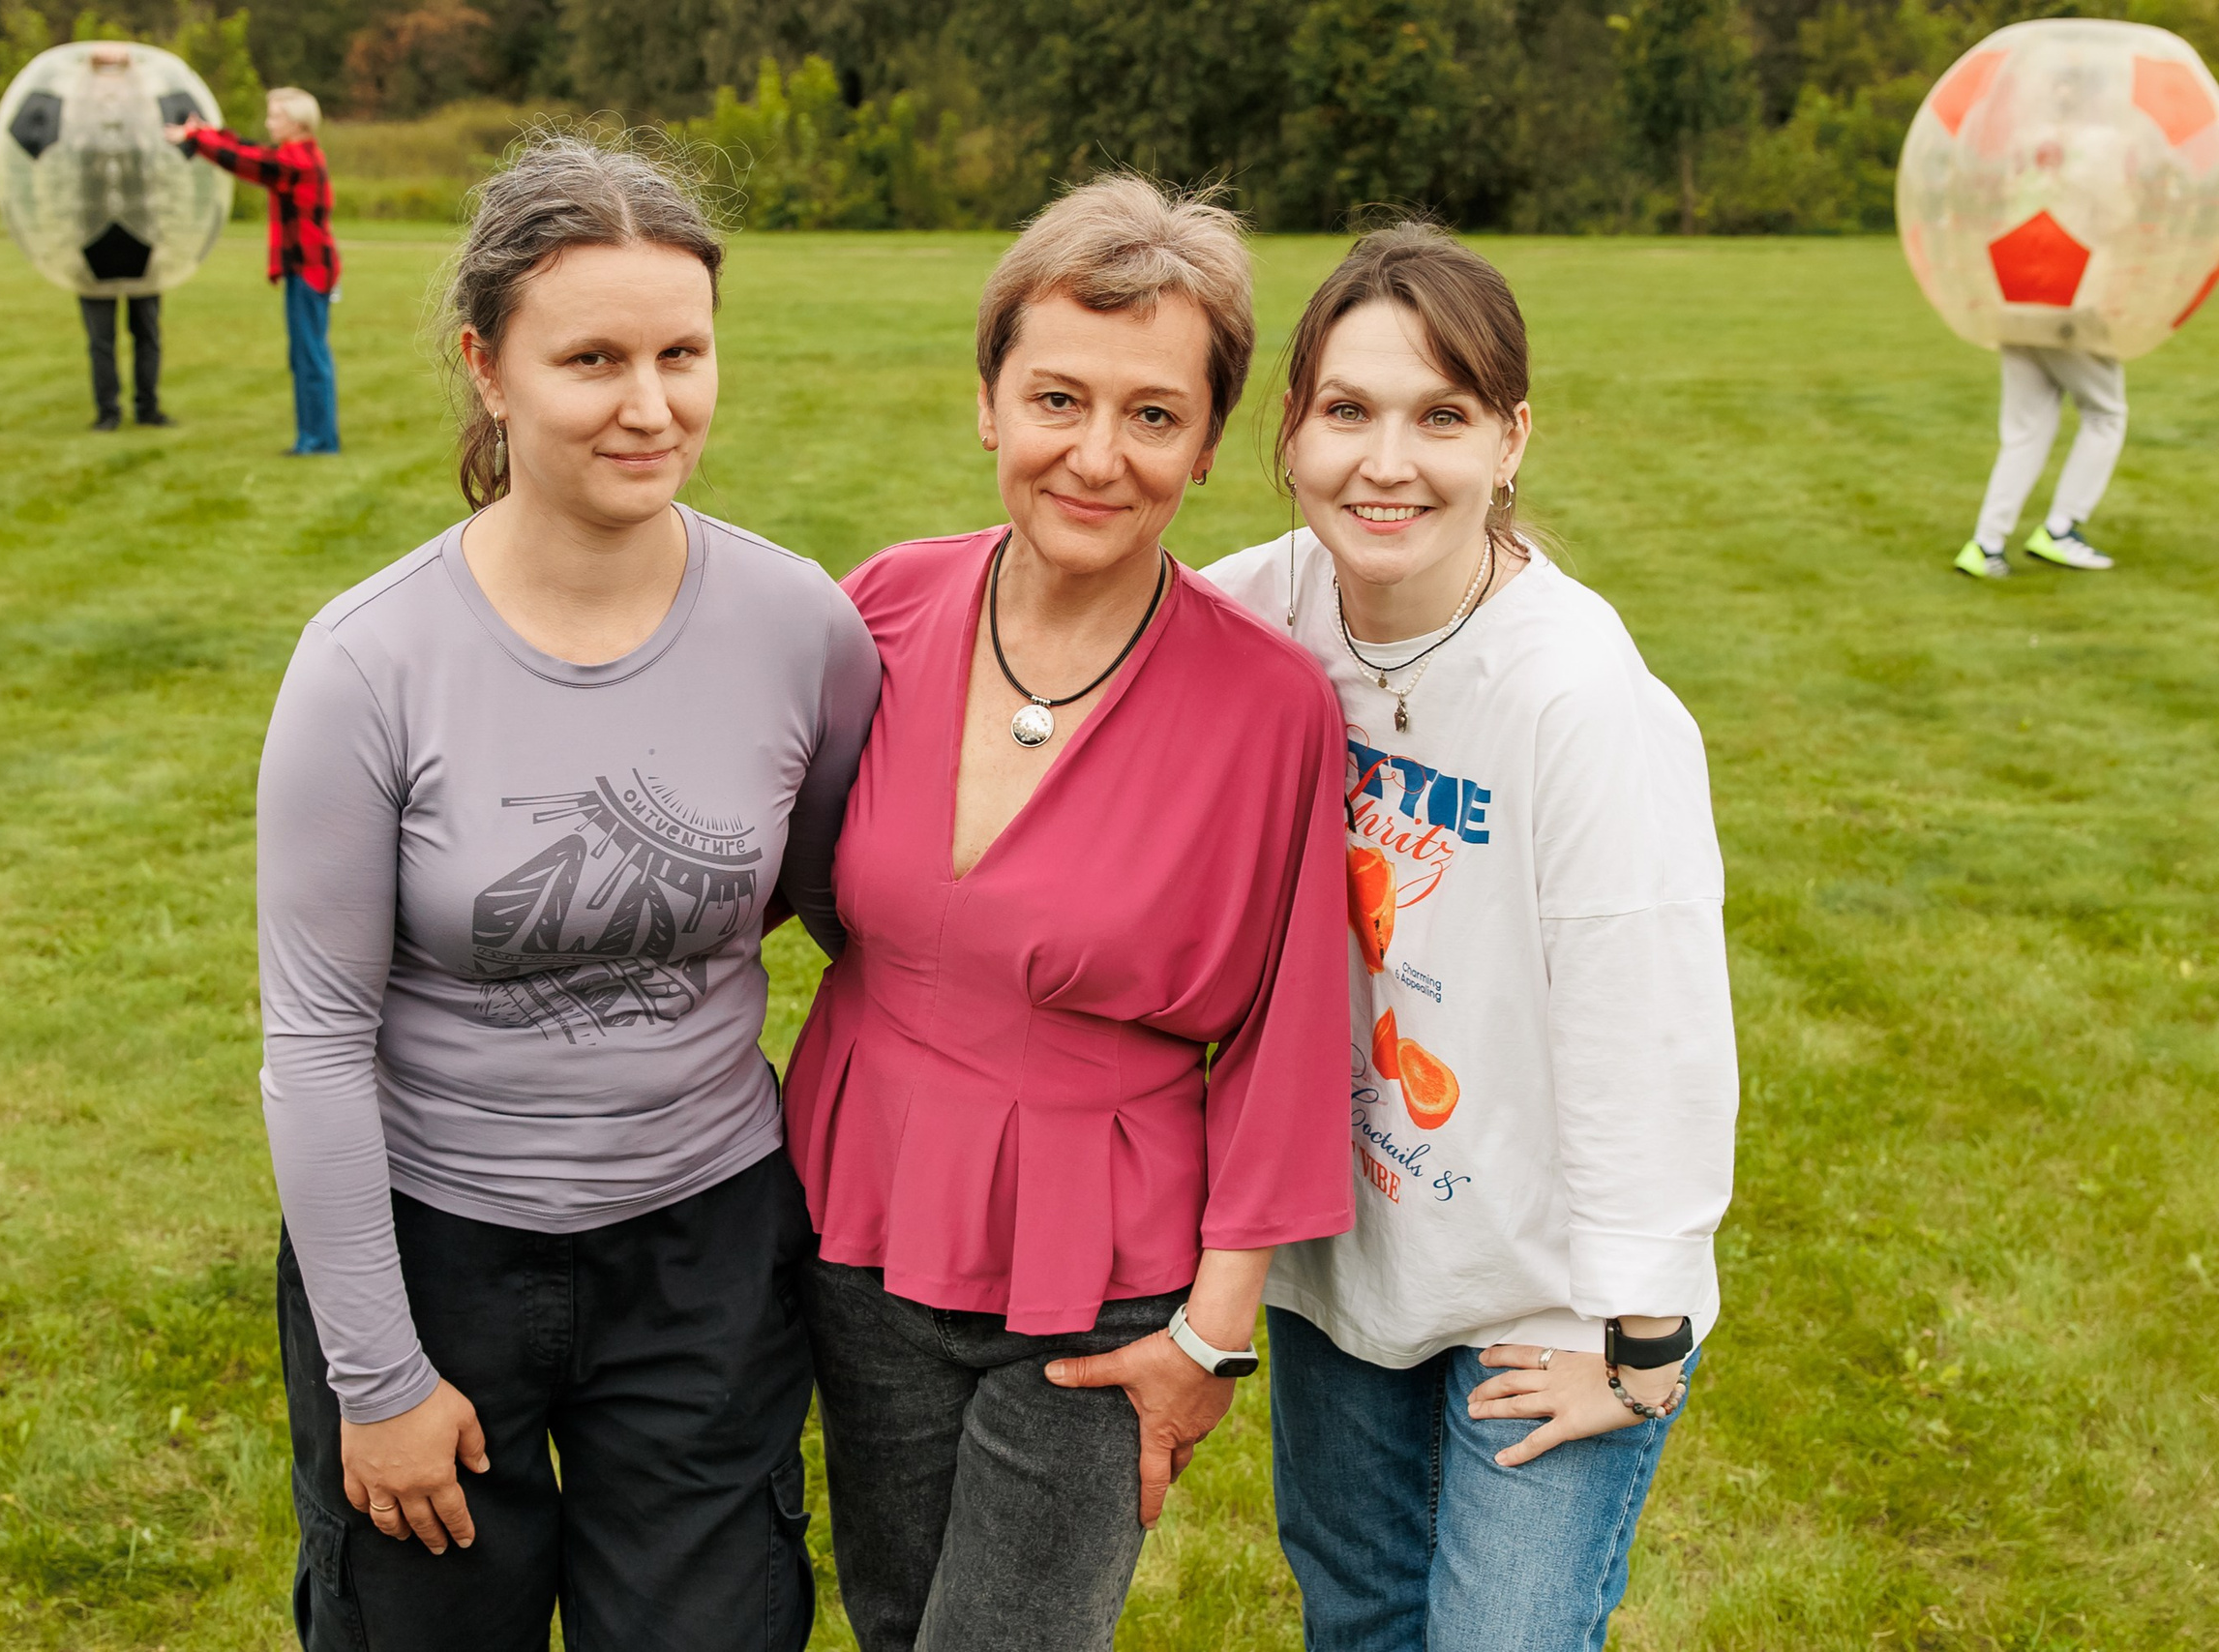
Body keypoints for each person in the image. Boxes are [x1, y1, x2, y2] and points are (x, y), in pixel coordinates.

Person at [254, 134, 878, 1652]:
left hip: (707, 1248)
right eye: (593, 356)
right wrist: (380, 1377)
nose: (650, 403)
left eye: (683, 352)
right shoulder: (367, 661)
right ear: (488, 364)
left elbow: (834, 898)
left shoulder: (803, 626)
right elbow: (317, 1044)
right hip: (433, 1243)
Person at [782, 176, 1354, 1652]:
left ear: (1212, 442)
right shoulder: (883, 613)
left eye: (1153, 415)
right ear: (988, 401)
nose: (1096, 456)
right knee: (898, 1619)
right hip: (860, 1212)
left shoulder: (1270, 703)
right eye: (1057, 398)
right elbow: (784, 881)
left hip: (1104, 1279)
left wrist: (1209, 1340)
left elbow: (1291, 1041)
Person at [1200, 223, 1739, 1652]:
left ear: (1510, 440)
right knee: (1357, 1614)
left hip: (1546, 1290)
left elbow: (1652, 1016)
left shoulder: (1575, 697)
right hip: (1348, 1246)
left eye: (1440, 416)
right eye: (1349, 410)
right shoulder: (1264, 607)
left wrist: (1637, 1334)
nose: (1389, 462)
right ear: (1295, 433)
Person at [165, 87, 343, 455]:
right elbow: (251, 150)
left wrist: (197, 137)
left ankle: (318, 441)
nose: (268, 122)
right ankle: (316, 437)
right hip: (308, 269)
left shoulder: (298, 162)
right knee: (306, 356)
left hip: (309, 270)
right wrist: (209, 132)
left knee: (309, 358)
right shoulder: (298, 154)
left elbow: (243, 160)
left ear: (295, 122)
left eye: (275, 116)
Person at [1953, 344, 2123, 577]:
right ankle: (2059, 530)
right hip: (2068, 319)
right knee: (2104, 417)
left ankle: (1986, 545)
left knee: (2026, 431)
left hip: (2016, 316)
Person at [78, 285, 166, 431]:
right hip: (101, 275)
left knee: (143, 338)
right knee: (104, 343)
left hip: (137, 273)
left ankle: (137, 411)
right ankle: (114, 412)